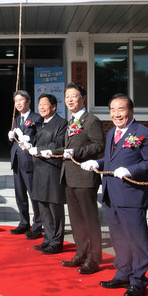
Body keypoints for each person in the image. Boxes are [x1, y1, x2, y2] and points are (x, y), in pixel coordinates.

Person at [81, 94, 148, 296]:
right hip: (112, 194)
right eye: (113, 110)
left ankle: (138, 281)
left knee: (136, 240)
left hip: (132, 196)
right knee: (119, 239)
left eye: (121, 110)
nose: (116, 114)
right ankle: (123, 273)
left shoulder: (143, 133)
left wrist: (130, 170)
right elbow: (110, 158)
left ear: (131, 111)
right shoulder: (111, 133)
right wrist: (97, 163)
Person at [59, 82, 105, 274]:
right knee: (76, 220)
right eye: (67, 96)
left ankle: (94, 258)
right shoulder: (70, 121)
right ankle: (81, 252)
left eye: (74, 96)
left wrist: (77, 152)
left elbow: (99, 146)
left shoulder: (91, 120)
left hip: (85, 178)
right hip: (69, 177)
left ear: (83, 98)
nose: (70, 99)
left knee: (89, 219)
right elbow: (66, 148)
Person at [27, 93, 68, 254]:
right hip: (38, 170)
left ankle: (57, 241)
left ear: (54, 107)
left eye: (45, 104)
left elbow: (59, 143)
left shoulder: (61, 123)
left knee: (54, 207)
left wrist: (39, 150)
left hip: (52, 170)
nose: (41, 107)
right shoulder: (39, 124)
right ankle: (48, 239)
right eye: (39, 104)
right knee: (43, 206)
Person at [8, 90, 43, 238]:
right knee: (20, 194)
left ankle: (38, 224)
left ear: (28, 101)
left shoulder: (37, 118)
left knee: (33, 194)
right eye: (16, 101)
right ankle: (23, 222)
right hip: (17, 161)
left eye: (21, 100)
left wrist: (29, 140)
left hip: (29, 161)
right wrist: (11, 137)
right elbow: (16, 140)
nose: (18, 103)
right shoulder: (16, 119)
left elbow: (41, 138)